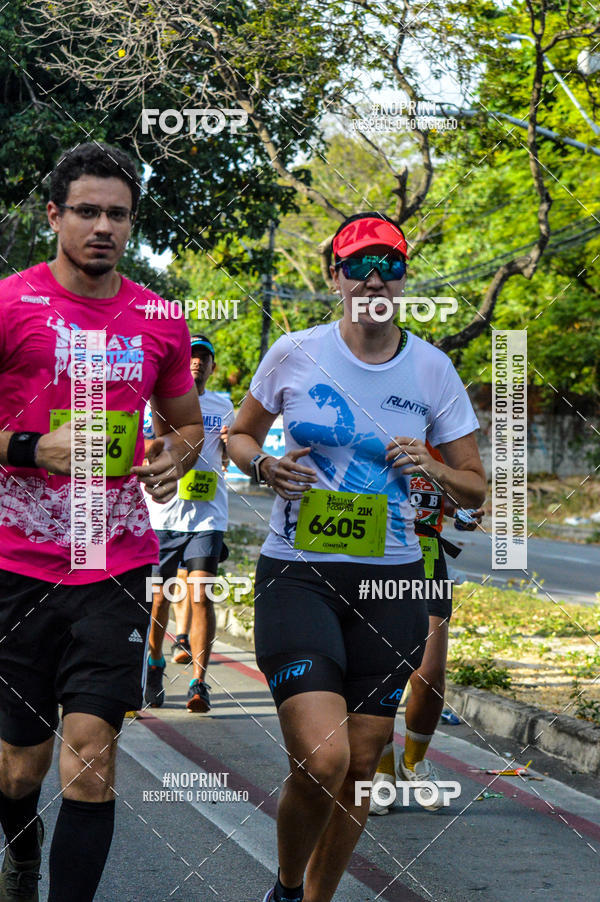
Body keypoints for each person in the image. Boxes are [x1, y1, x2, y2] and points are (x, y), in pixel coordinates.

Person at [228, 211, 487, 902]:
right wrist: (264, 468)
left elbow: (476, 487)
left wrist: (433, 472)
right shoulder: (293, 352)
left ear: (404, 279)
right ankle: (285, 887)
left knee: (362, 766)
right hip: (299, 575)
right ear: (333, 274)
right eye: (360, 264)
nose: (375, 278)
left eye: (392, 265)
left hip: (394, 582)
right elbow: (237, 435)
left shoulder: (432, 368)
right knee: (324, 756)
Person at [0, 142, 203, 902]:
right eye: (86, 211)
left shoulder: (158, 317)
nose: (102, 227)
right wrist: (29, 445)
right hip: (15, 563)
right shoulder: (9, 304)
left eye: (117, 214)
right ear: (54, 216)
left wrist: (172, 456)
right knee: (18, 765)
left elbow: (185, 424)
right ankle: (20, 851)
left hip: (114, 563)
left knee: (89, 759)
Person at [369, 443, 484, 814]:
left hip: (427, 558)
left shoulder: (443, 441)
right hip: (374, 557)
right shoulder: (371, 428)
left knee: (429, 674)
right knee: (380, 673)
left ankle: (414, 763)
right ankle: (382, 771)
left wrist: (463, 511)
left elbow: (456, 500)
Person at [142, 334, 233, 713]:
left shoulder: (224, 405)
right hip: (162, 513)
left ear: (213, 367)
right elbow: (144, 451)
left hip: (208, 515)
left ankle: (199, 681)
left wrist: (232, 441)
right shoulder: (156, 401)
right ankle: (154, 664)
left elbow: (230, 454)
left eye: (204, 358)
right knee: (158, 598)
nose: (197, 362)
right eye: (191, 357)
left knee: (200, 596)